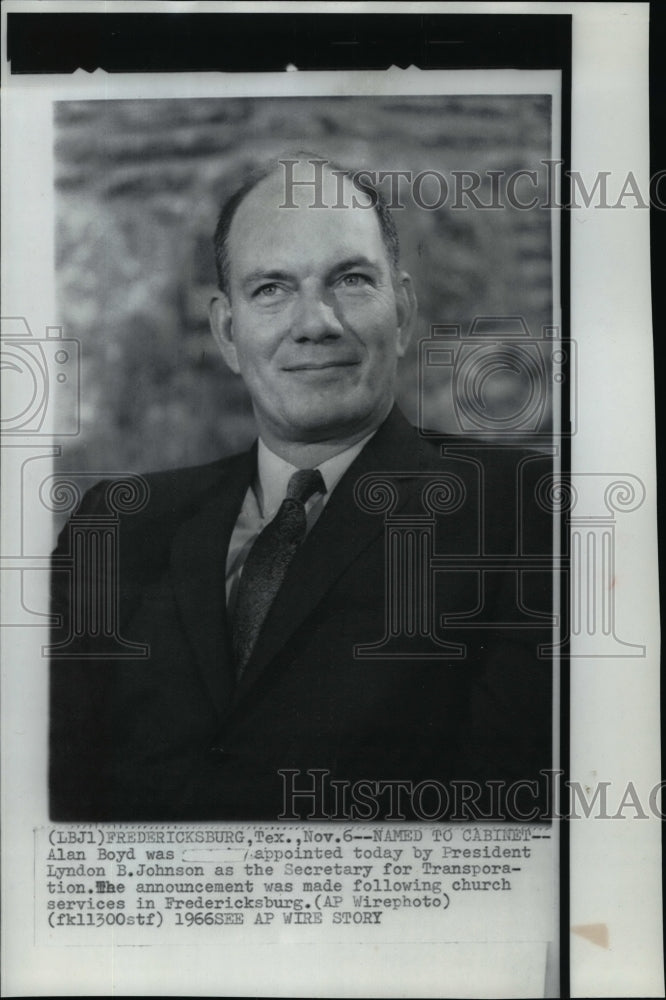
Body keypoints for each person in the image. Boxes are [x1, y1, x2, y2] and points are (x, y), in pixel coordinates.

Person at [49, 156, 553, 821]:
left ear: (401, 310)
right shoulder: (113, 529)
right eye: (271, 289)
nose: (315, 322)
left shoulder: (520, 512)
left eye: (349, 279)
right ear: (228, 332)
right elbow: (51, 805)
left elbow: (507, 826)